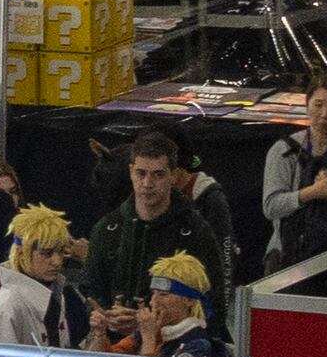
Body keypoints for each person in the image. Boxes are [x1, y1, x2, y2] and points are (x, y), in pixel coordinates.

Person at [88, 127, 237, 317]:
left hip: (177, 336)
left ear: (173, 175)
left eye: (158, 174)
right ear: (131, 172)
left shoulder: (197, 231)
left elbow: (213, 303)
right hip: (110, 334)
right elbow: (89, 291)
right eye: (141, 173)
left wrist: (146, 323)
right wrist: (102, 316)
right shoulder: (107, 228)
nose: (147, 184)